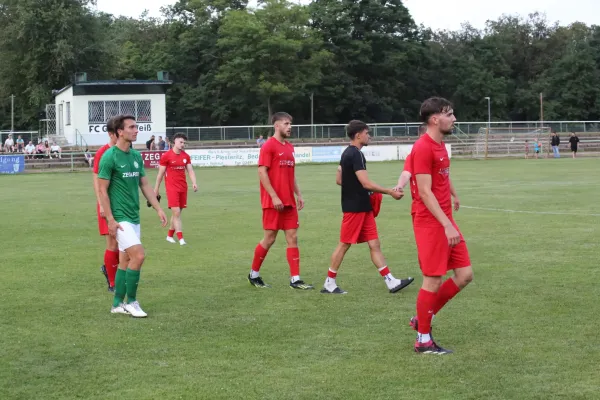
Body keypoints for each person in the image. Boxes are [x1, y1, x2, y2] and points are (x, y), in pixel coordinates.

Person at [408, 97, 474, 355]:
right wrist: (446, 225)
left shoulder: (440, 145)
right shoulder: (423, 147)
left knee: (465, 274)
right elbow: (425, 192)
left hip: (445, 220)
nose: (454, 119)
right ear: (435, 119)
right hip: (431, 223)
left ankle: (422, 318)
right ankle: (423, 340)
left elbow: (441, 178)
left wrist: (454, 194)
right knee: (432, 279)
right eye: (450, 114)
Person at [320, 120, 414, 294]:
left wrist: (354, 188)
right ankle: (329, 283)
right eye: (367, 133)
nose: (369, 136)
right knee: (344, 244)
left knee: (374, 244)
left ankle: (390, 281)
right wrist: (389, 191)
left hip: (362, 207)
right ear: (358, 135)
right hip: (355, 208)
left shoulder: (347, 153)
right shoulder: (356, 154)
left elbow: (339, 180)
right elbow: (365, 183)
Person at [97, 114, 168, 317]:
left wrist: (158, 208)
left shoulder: (136, 156)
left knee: (125, 261)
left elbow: (144, 185)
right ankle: (132, 302)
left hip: (134, 216)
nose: (136, 130)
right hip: (119, 219)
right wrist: (110, 219)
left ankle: (117, 304)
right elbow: (102, 191)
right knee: (139, 255)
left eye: (136, 127)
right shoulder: (109, 157)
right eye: (132, 127)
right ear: (120, 132)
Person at [248, 112, 313, 290]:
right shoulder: (268, 146)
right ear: (276, 125)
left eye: (290, 124)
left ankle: (295, 280)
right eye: (286, 124)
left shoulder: (290, 147)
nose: (289, 127)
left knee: (293, 238)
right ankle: (254, 274)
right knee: (269, 239)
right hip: (273, 203)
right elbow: (262, 172)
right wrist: (274, 196)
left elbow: (291, 175)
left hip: (289, 202)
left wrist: (298, 194)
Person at [154, 133, 198, 245]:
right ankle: (181, 239)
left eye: (184, 143)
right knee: (176, 212)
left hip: (183, 188)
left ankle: (169, 236)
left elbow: (190, 171)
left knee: (176, 214)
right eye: (181, 142)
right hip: (171, 188)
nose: (183, 144)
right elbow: (160, 174)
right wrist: (156, 189)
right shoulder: (166, 156)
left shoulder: (186, 156)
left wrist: (194, 183)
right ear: (174, 142)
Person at [93, 118, 119, 292]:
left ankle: (111, 270)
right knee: (112, 244)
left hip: (123, 206)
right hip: (107, 204)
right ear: (112, 134)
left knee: (124, 245)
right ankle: (112, 282)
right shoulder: (103, 152)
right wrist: (102, 204)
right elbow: (96, 180)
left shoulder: (126, 152)